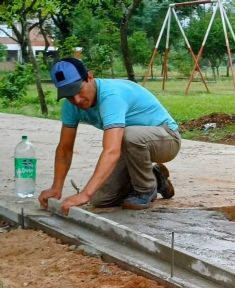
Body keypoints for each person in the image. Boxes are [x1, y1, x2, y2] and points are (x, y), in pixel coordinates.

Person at [38, 58, 180, 213]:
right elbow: (65, 149)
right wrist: (56, 188)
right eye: (69, 95)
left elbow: (111, 151)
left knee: (128, 135)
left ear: (89, 77)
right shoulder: (71, 106)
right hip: (131, 146)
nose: (76, 100)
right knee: (100, 199)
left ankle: (145, 189)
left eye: (78, 91)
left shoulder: (111, 96)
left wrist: (85, 193)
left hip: (166, 138)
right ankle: (156, 177)